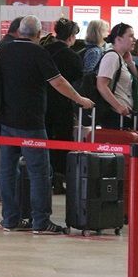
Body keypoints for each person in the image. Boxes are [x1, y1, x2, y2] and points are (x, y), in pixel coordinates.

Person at [0, 15, 94, 235]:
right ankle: (41, 221)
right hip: (31, 121)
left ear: (20, 31)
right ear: (39, 34)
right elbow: (58, 81)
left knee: (8, 171)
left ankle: (10, 219)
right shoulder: (38, 52)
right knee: (40, 171)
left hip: (5, 120)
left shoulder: (4, 50)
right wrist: (80, 99)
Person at [43, 17, 83, 191]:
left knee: (44, 141)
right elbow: (77, 77)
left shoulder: (44, 50)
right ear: (71, 36)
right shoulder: (72, 56)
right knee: (62, 141)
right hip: (63, 104)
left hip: (43, 102)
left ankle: (46, 174)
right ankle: (59, 178)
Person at [96, 23, 138, 127]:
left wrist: (130, 63)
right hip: (115, 116)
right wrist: (119, 106)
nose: (134, 39)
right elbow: (101, 85)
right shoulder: (111, 57)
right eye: (131, 36)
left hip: (123, 115)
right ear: (118, 39)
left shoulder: (121, 58)